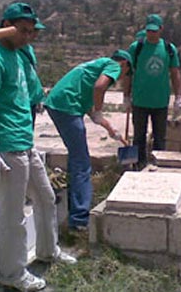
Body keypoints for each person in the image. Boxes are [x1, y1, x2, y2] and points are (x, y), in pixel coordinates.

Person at [0, 2, 76, 292]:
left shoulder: (22, 53)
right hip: (6, 147)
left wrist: (38, 96)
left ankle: (48, 251)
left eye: (32, 32)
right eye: (22, 31)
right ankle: (11, 274)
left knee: (45, 197)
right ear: (6, 25)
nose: (28, 36)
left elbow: (30, 87)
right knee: (12, 213)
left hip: (25, 142)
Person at [44, 50, 130, 231]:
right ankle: (80, 220)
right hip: (66, 107)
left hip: (57, 104)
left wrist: (112, 131)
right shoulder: (113, 65)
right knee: (82, 163)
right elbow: (100, 88)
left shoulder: (94, 68)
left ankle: (72, 206)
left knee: (76, 157)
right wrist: (99, 110)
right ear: (124, 64)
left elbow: (92, 111)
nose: (122, 77)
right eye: (126, 73)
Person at [125, 14, 181, 169]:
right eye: (149, 31)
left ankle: (159, 167)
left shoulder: (169, 49)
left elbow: (175, 73)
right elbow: (128, 73)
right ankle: (138, 166)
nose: (151, 34)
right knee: (139, 137)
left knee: (160, 138)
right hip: (140, 100)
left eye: (154, 31)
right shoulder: (136, 48)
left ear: (161, 29)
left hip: (160, 101)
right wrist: (126, 95)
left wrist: (178, 97)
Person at [19, 18, 46, 128]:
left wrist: (39, 97)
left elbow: (32, 73)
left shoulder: (29, 48)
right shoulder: (14, 50)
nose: (35, 34)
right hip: (22, 101)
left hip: (32, 99)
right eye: (33, 31)